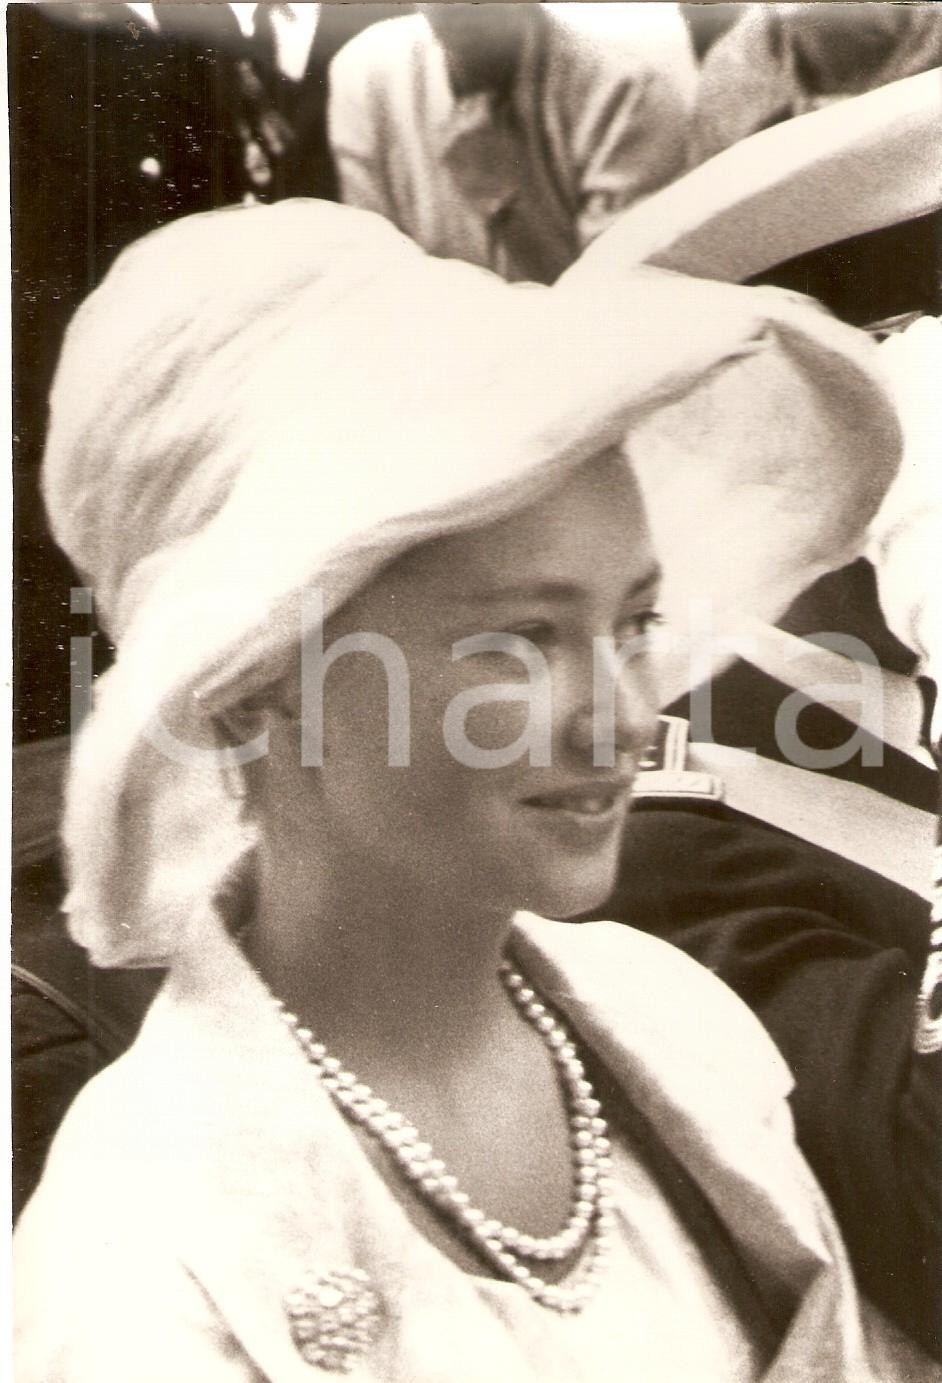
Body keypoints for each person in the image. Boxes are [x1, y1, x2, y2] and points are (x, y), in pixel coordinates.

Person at [12, 199, 934, 1380]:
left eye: (634, 621)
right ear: (252, 685)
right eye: (520, 642)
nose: (625, 714)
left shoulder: (681, 1026)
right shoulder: (140, 1257)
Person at [328, 2, 695, 283]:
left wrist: (503, 203)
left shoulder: (626, 92)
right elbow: (374, 273)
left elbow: (618, 303)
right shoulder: (366, 74)